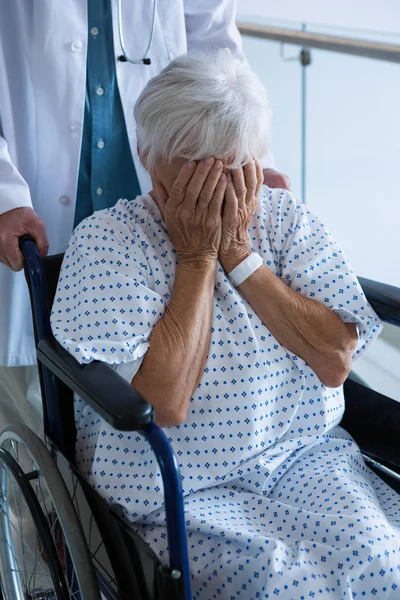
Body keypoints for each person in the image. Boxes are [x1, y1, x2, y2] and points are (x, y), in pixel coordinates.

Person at [52, 50, 400, 599]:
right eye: (193, 165)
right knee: (285, 587)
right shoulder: (107, 243)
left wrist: (239, 256)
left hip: (303, 461)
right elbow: (164, 404)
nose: (214, 185)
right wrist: (197, 259)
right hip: (176, 495)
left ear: (256, 161)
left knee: (385, 564)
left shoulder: (284, 219)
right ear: (148, 156)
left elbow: (335, 362)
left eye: (230, 164)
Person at [0, 0, 288, 436]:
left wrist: (246, 153)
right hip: (35, 190)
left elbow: (216, 49)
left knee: (168, 368)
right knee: (35, 412)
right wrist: (3, 194)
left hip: (162, 180)